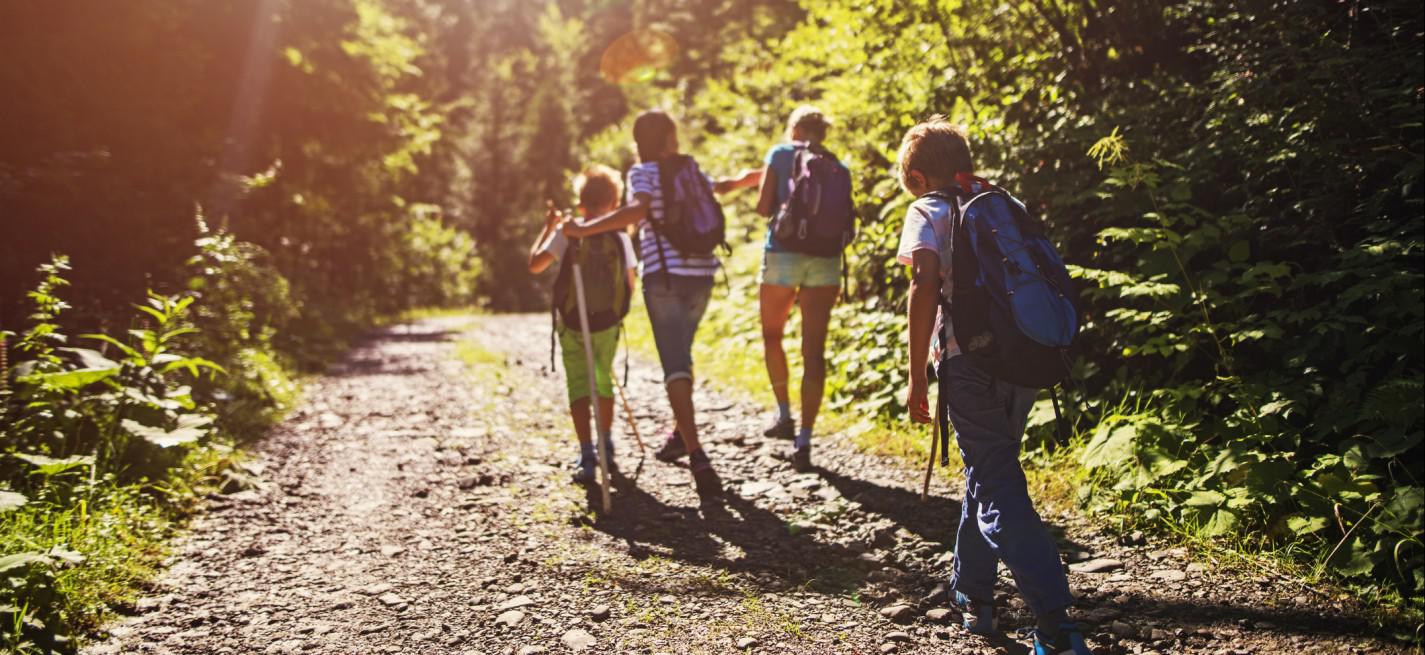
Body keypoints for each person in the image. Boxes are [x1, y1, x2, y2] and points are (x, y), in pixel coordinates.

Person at [895, 116, 1091, 655]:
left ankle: (1055, 619)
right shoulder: (1001, 204)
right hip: (1023, 357)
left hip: (968, 362)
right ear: (965, 165)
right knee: (990, 471)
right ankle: (974, 597)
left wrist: (918, 375)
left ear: (915, 176)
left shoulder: (926, 210)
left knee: (997, 483)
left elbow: (924, 286)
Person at [563, 110, 760, 506]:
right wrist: (757, 175)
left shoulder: (643, 173)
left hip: (665, 277)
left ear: (640, 142)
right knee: (682, 357)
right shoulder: (689, 168)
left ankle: (700, 458)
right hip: (703, 273)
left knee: (674, 365)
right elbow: (721, 186)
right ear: (670, 137)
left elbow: (639, 211)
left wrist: (585, 229)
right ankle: (679, 436)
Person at [528, 165, 637, 485]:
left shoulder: (568, 231)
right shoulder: (619, 235)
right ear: (614, 201)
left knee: (578, 384)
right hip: (607, 322)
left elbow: (535, 265)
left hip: (574, 323)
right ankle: (607, 444)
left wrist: (548, 228)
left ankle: (586, 453)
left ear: (581, 201)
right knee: (603, 379)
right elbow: (629, 283)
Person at [753, 105, 845, 472]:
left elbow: (763, 208)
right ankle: (804, 439)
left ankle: (784, 414)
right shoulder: (837, 164)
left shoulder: (779, 154)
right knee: (814, 350)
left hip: (782, 256)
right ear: (822, 133)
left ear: (794, 129)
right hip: (826, 261)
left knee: (772, 335)